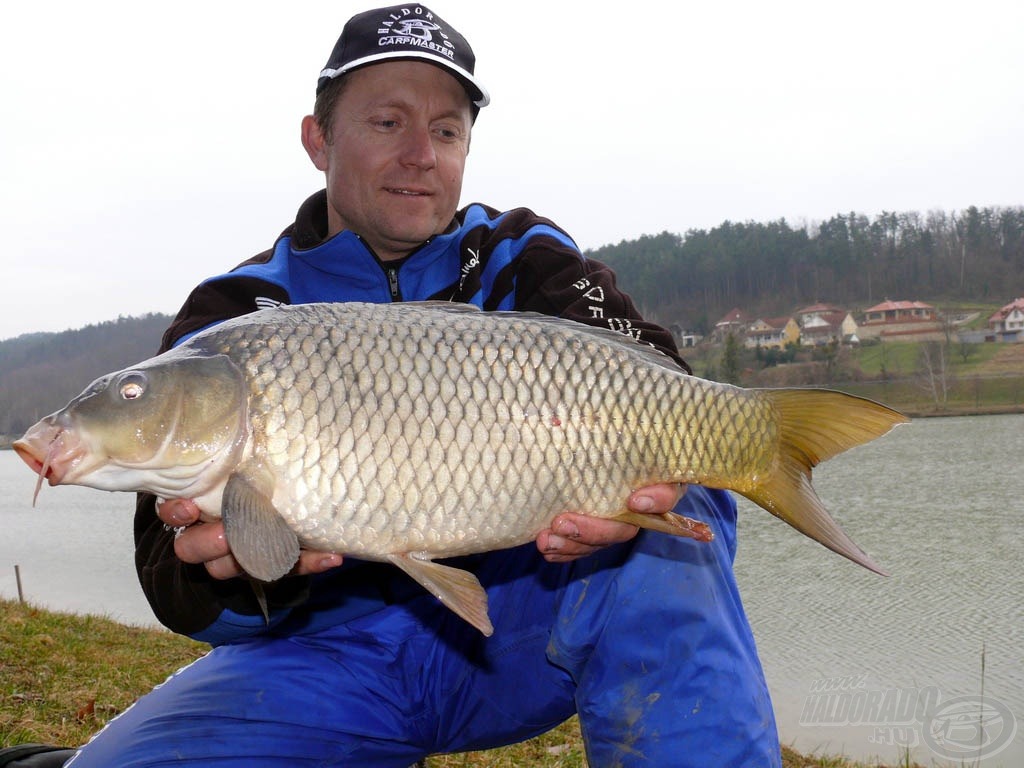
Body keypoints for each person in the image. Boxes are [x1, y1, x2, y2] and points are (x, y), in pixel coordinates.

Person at [64, 5, 780, 766]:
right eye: (386, 123)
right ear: (318, 138)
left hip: (523, 623)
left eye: (446, 131)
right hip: (322, 660)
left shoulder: (522, 259)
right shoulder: (235, 319)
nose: (421, 156)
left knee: (678, 507)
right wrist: (240, 570)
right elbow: (165, 571)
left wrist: (639, 505)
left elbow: (668, 386)